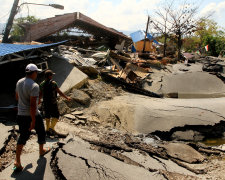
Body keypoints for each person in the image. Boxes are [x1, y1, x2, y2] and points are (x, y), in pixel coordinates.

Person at [14, 63, 50, 171]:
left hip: (20, 114)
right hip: (32, 115)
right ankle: (41, 150)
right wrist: (33, 121)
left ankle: (17, 161)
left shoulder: (19, 82)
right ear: (33, 73)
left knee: (22, 137)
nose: (37, 74)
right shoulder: (34, 86)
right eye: (37, 72)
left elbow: (16, 97)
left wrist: (23, 101)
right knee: (41, 131)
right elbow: (33, 105)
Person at [40, 69, 71, 137]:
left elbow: (40, 94)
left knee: (47, 116)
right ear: (50, 76)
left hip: (45, 103)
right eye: (52, 75)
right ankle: (51, 128)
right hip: (53, 103)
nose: (52, 76)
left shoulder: (42, 84)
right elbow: (59, 92)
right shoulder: (54, 83)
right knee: (56, 116)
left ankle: (47, 130)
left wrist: (39, 100)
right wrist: (67, 97)